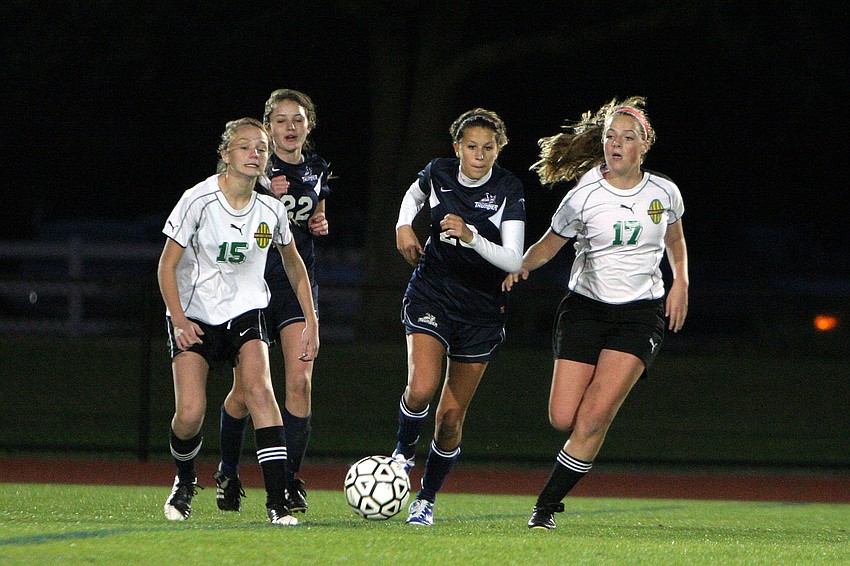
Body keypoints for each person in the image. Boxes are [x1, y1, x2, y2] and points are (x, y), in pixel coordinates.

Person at [503, 96, 689, 530]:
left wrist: (681, 282)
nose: (616, 144)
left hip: (640, 316)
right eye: (610, 137)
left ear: (645, 145)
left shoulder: (664, 193)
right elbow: (550, 243)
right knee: (563, 418)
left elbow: (674, 240)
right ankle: (593, 425)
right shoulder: (584, 193)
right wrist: (520, 266)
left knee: (591, 418)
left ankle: (545, 507)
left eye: (627, 138)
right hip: (585, 309)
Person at [158, 117, 319, 526]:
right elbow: (166, 266)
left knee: (261, 393)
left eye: (261, 148)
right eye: (245, 146)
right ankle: (185, 478)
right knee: (190, 413)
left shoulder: (270, 208)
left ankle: (278, 502)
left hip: (247, 312)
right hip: (196, 314)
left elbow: (295, 265)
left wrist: (311, 319)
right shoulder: (198, 200)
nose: (254, 153)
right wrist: (178, 319)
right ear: (226, 154)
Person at [392, 108, 526, 526]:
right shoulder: (438, 172)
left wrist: (471, 236)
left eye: (489, 147)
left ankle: (426, 498)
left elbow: (513, 257)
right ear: (457, 148)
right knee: (421, 386)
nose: (480, 154)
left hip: (482, 310)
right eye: (472, 147)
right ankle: (401, 454)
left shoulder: (508, 188)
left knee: (450, 418)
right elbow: (415, 195)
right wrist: (403, 225)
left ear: (499, 150)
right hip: (432, 291)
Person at [214, 89, 330, 515]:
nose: (289, 127)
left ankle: (288, 480)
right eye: (280, 120)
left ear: (308, 125)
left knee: (299, 382)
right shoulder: (255, 164)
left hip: (297, 286)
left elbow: (313, 214)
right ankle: (227, 470)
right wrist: (264, 187)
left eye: (297, 119)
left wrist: (318, 219)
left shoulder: (317, 168)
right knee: (246, 393)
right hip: (252, 289)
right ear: (267, 125)